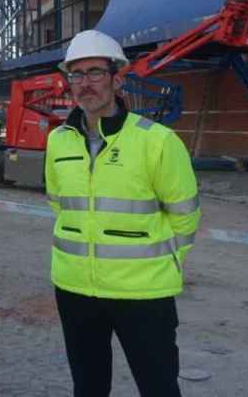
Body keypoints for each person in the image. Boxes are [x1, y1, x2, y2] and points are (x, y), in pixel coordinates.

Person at [45, 30, 200, 397]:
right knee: (88, 386)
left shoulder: (156, 140)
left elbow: (185, 215)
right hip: (76, 289)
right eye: (76, 75)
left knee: (158, 386)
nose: (85, 84)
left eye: (95, 72)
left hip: (143, 293)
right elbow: (59, 203)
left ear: (117, 78)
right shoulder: (58, 141)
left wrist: (165, 262)